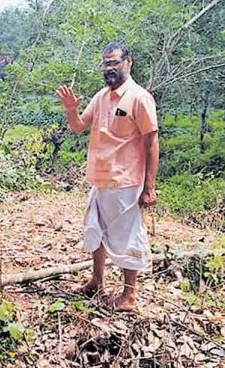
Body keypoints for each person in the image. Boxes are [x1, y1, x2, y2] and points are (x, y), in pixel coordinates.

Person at [55, 42, 160, 311]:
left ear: (128, 62)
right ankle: (96, 281)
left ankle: (130, 296)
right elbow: (79, 127)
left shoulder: (139, 97)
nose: (109, 69)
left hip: (126, 181)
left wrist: (149, 187)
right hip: (99, 179)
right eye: (105, 64)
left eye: (114, 63)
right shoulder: (101, 97)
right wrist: (70, 109)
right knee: (96, 232)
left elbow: (151, 142)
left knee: (128, 238)